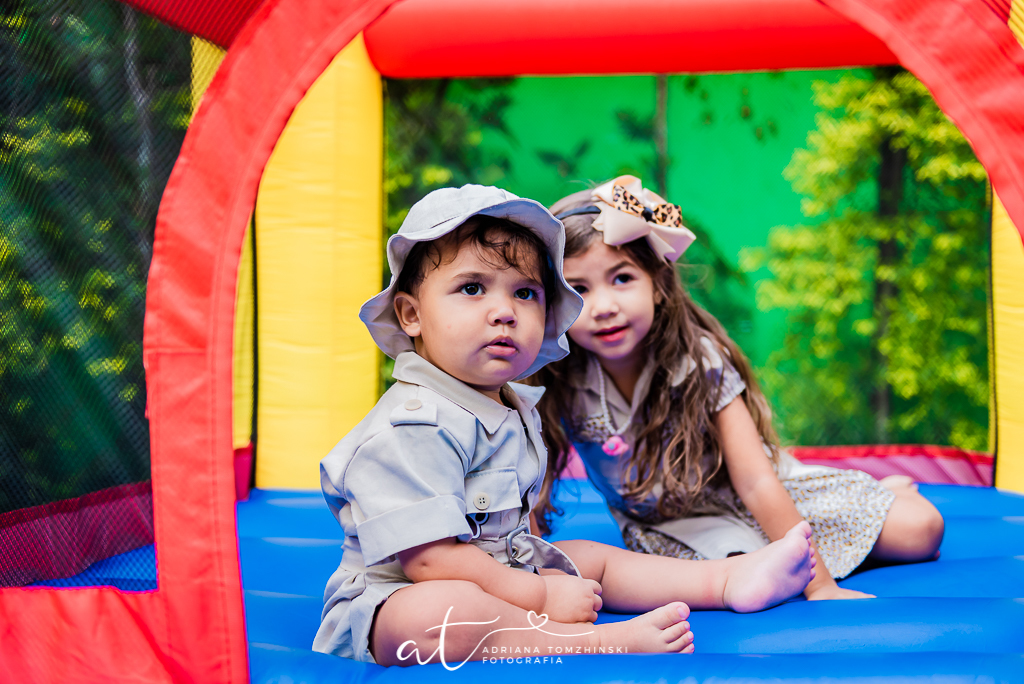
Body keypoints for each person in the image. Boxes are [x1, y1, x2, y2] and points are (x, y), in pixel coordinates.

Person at [313, 184, 817, 667]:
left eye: (526, 294)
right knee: (435, 614)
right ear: (410, 314)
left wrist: (540, 575)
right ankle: (592, 641)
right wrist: (539, 594)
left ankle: (726, 579)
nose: (504, 312)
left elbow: (515, 525)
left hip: (501, 569)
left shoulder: (509, 403)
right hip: (401, 597)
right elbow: (431, 560)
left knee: (591, 557)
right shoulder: (413, 424)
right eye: (471, 288)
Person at [532, 176, 946, 602]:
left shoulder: (698, 360)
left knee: (921, 532)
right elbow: (532, 482)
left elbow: (755, 483)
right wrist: (526, 575)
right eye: (578, 290)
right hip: (672, 525)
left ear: (657, 282)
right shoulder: (555, 373)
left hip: (757, 494)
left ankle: (885, 493)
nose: (604, 307)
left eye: (621, 278)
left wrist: (820, 585)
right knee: (744, 572)